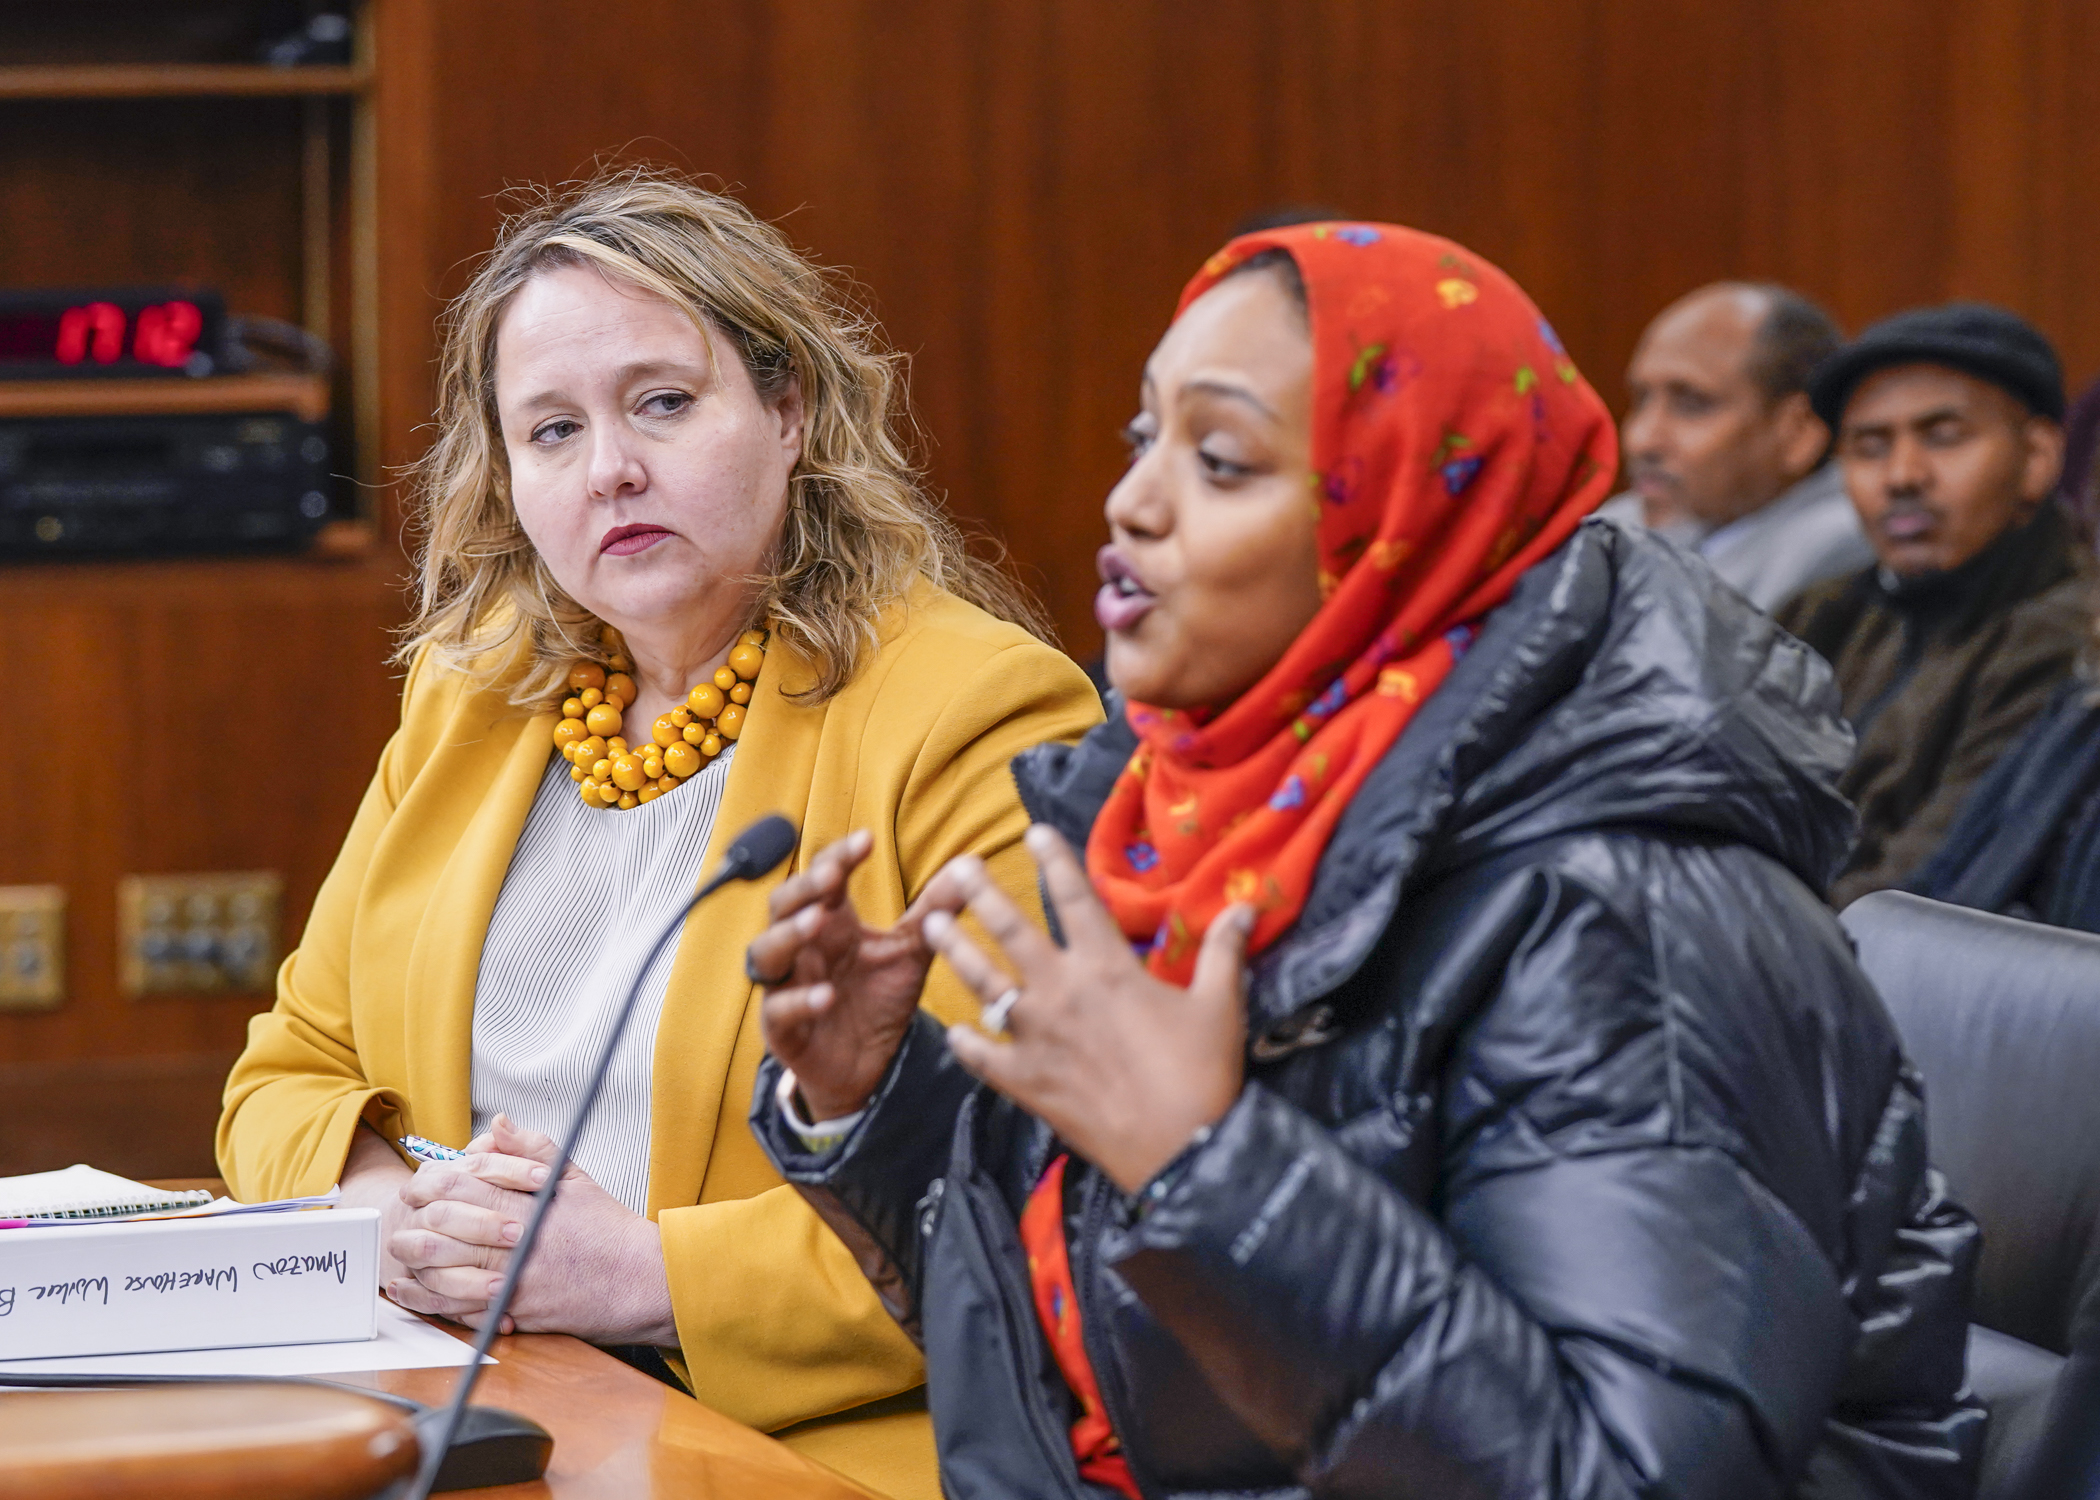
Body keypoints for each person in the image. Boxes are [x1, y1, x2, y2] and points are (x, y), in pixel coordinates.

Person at [744, 223, 1981, 1497]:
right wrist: (877, 1105)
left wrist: (1202, 1168)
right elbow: (1107, 1349)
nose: (1134, 501)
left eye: (1220, 460)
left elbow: (1624, 1475)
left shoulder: (1632, 922)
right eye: (1143, 437)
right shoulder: (1214, 820)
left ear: (1406, 517)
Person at [214, 169, 1101, 1499]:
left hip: (797, 1447)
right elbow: (283, 1079)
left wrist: (637, 1277)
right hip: (478, 1397)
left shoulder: (974, 712)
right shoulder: (474, 694)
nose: (612, 468)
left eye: (664, 404)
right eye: (552, 431)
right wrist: (394, 1221)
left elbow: (1036, 1204)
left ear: (790, 408)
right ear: (507, 476)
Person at [1776, 302, 2085, 907]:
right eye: (1869, 446)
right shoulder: (1822, 613)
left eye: (1943, 437)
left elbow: (1922, 893)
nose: (1902, 475)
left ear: (2037, 459)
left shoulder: (2068, 637)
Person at [1599, 281, 1871, 609]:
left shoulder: (1840, 544)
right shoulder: (1624, 521)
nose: (1641, 439)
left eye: (1692, 405)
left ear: (1798, 433)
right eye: (1642, 400)